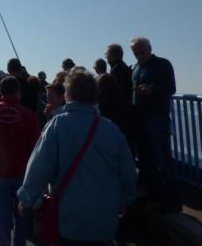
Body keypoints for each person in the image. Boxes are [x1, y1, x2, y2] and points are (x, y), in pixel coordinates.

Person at [17, 70, 137, 246]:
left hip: (68, 217)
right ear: (95, 96)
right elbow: (128, 172)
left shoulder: (57, 125)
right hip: (104, 218)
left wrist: (26, 198)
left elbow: (40, 166)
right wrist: (125, 200)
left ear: (67, 94)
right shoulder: (111, 129)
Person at [0, 76, 40, 246]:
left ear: (0, 92)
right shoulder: (28, 114)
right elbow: (36, 145)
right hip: (22, 172)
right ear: (18, 92)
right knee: (21, 216)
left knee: (3, 217)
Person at [130, 37, 180, 212]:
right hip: (141, 119)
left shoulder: (162, 65)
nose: (139, 56)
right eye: (135, 53)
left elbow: (171, 88)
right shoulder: (135, 68)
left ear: (150, 48)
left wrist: (153, 90)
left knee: (163, 158)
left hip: (157, 118)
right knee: (146, 159)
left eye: (141, 52)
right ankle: (154, 194)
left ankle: (172, 200)